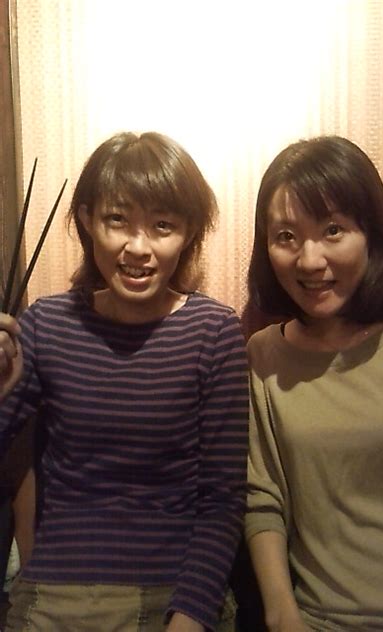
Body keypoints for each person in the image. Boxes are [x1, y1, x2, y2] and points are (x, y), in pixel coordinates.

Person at [0, 131, 249, 632]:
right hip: (54, 593)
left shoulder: (214, 332)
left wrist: (190, 616)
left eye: (162, 225)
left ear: (189, 232)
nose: (138, 248)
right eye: (117, 220)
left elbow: (223, 499)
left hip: (171, 591)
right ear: (87, 219)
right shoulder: (46, 324)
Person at [245, 135, 383, 631]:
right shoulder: (263, 356)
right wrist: (282, 616)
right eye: (286, 236)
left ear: (370, 232)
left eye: (333, 230)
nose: (309, 260)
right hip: (325, 620)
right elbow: (263, 501)